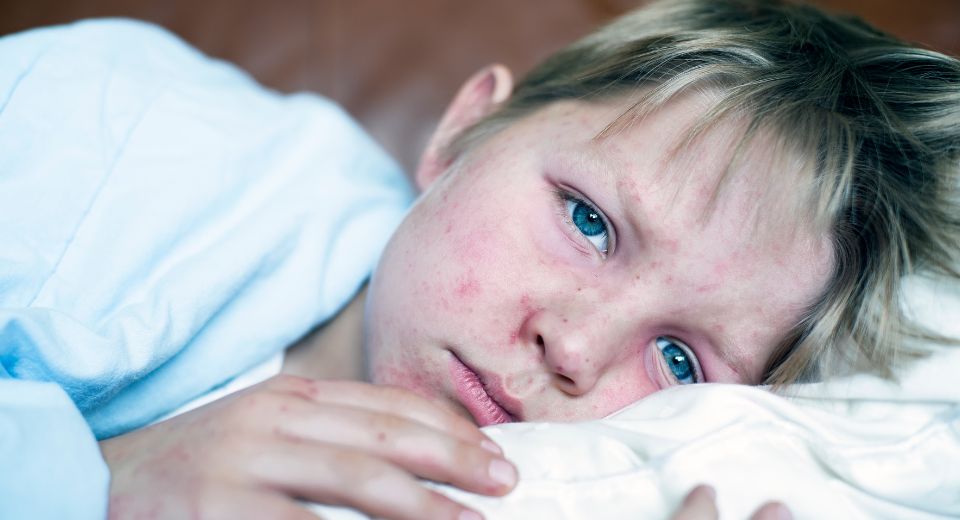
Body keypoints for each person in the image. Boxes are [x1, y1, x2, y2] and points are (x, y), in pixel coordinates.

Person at [1, 0, 957, 518]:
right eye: (588, 221)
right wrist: (92, 480)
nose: (573, 347)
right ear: (460, 132)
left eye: (679, 359)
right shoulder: (106, 126)